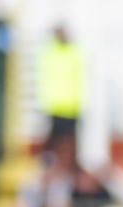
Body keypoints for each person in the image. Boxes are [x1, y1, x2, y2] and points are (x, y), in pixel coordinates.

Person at [37, 24, 81, 162]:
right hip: (55, 105)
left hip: (71, 105)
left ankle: (70, 164)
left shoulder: (74, 52)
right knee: (54, 139)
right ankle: (49, 163)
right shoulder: (51, 53)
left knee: (70, 139)